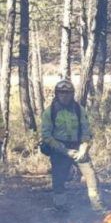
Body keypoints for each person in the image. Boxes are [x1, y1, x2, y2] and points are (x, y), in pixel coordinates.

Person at [40, 80, 104, 212]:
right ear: (57, 94)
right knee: (59, 179)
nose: (65, 96)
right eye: (62, 93)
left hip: (78, 147)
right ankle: (60, 207)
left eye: (68, 93)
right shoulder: (50, 112)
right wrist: (65, 151)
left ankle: (96, 206)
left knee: (91, 175)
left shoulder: (79, 110)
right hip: (59, 149)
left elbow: (86, 131)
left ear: (72, 94)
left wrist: (84, 147)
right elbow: (46, 136)